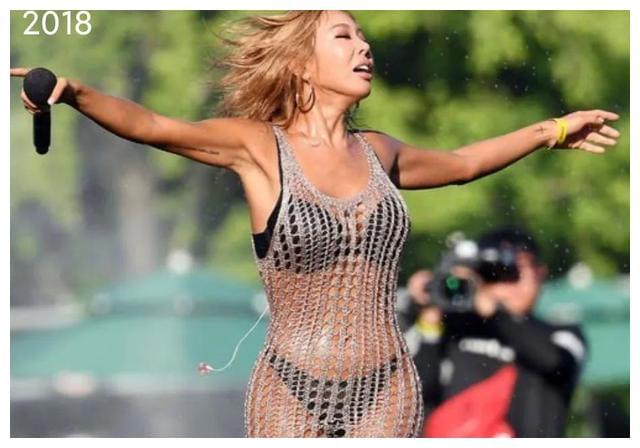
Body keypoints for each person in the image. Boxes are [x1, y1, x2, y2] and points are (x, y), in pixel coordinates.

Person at [11, 10, 619, 438]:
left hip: (387, 386)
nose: (364, 47)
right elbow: (154, 126)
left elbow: (462, 164)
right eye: (344, 36)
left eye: (364, 36)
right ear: (302, 64)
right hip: (289, 385)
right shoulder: (258, 148)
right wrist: (76, 92)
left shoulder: (379, 153)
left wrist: (553, 129)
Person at [407, 227, 588, 437]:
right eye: (493, 273)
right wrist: (431, 309)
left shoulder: (561, 335)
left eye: (513, 271)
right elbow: (415, 394)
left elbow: (555, 362)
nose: (504, 283)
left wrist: (494, 311)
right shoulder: (454, 328)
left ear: (539, 273)